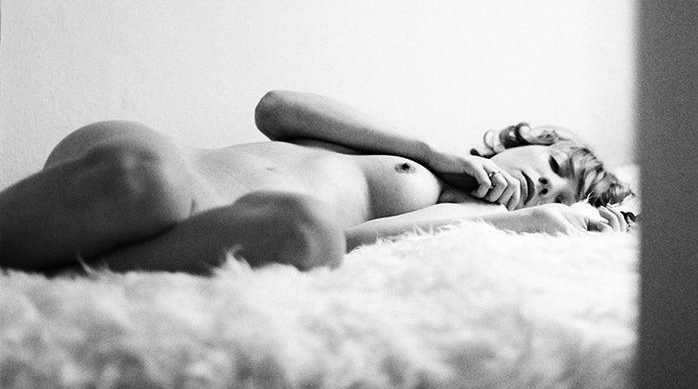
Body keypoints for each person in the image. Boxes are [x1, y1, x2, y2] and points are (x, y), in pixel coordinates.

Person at [0, 90, 634, 275]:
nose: (542, 188)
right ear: (520, 142)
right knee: (150, 182)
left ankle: (50, 275)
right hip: (170, 168)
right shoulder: (407, 149)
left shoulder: (459, 224)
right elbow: (276, 108)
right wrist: (428, 152)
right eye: (550, 168)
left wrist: (527, 222)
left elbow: (355, 242)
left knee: (311, 234)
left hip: (216, 228)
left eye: (560, 194)